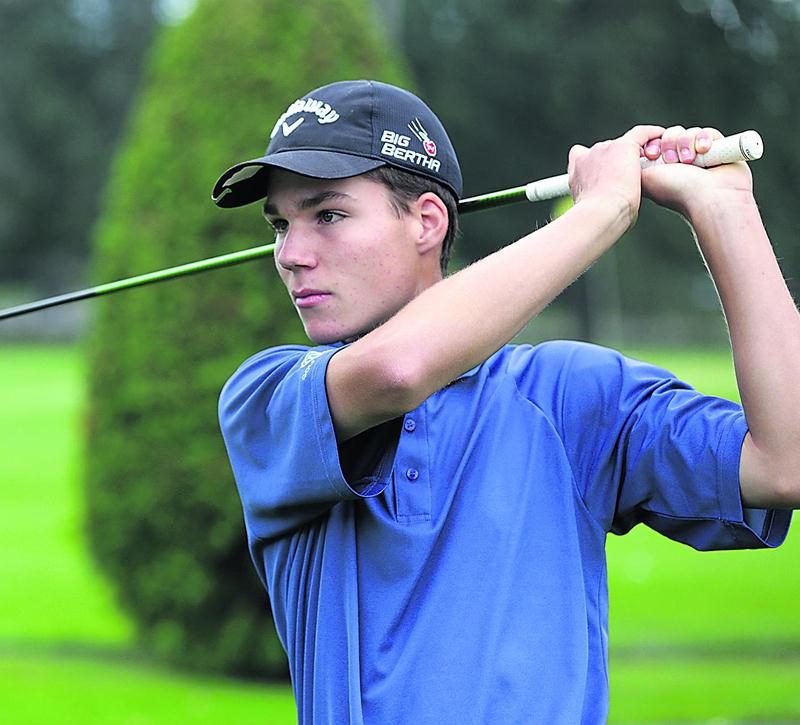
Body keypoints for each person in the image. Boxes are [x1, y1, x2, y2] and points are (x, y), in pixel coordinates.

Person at [212, 79, 799, 724]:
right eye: (280, 225)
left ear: (427, 221)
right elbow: (398, 369)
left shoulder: (567, 394)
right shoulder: (267, 397)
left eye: (327, 215)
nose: (291, 255)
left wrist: (726, 210)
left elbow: (786, 464)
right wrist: (601, 212)